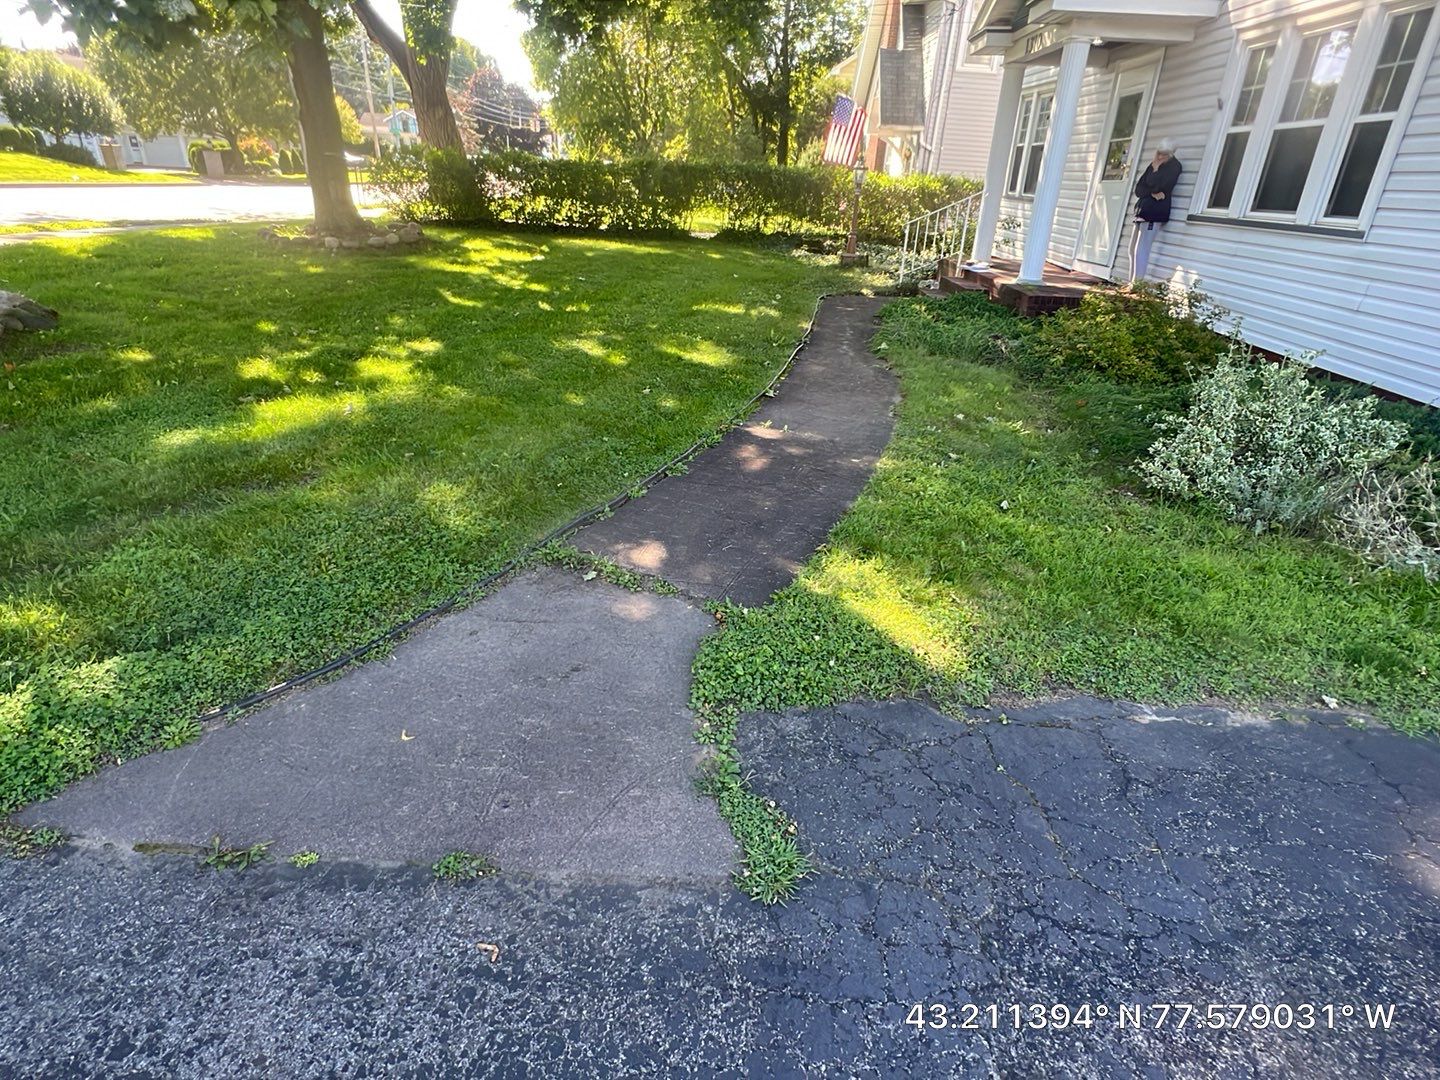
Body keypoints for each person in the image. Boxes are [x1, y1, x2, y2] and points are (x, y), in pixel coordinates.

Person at [1129, 139, 1182, 281]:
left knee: (1142, 248)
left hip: (1155, 213)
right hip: (1142, 210)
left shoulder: (1174, 167)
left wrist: (1156, 171)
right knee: (1132, 248)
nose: (1159, 157)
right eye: (1158, 153)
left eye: (1163, 154)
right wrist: (1152, 192)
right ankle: (1131, 282)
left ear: (1170, 154)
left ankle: (1137, 285)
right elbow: (1139, 190)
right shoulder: (1152, 166)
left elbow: (1159, 187)